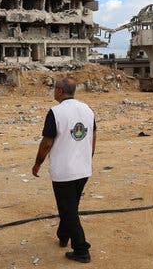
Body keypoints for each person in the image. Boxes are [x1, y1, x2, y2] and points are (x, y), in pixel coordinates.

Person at [32, 77, 96, 264]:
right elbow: (93, 136)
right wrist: (87, 158)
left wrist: (37, 163)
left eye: (54, 89)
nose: (54, 92)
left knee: (68, 210)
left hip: (64, 172)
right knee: (70, 207)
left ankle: (81, 249)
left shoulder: (55, 112)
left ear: (59, 91)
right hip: (83, 169)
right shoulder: (87, 110)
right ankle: (63, 235)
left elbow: (47, 143)